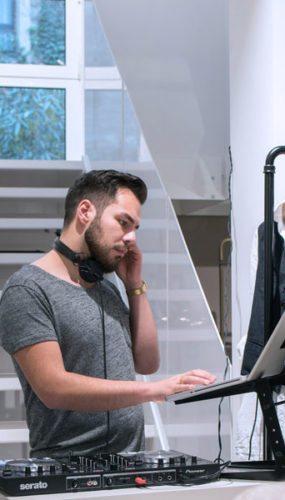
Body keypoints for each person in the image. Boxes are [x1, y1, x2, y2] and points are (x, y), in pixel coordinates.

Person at [0, 170, 216, 458]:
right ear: (86, 211)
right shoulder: (27, 289)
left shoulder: (107, 289)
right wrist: (155, 391)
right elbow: (53, 388)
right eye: (123, 222)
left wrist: (134, 287)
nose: (131, 238)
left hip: (131, 460)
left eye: (135, 227)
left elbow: (148, 362)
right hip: (68, 468)